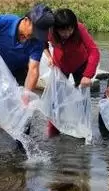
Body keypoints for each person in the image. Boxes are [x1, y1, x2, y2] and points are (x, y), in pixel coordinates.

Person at [0, 3, 55, 147]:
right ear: (26, 20)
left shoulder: (37, 41)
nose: (36, 36)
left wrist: (27, 94)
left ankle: (22, 144)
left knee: (24, 108)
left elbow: (33, 69)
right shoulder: (3, 22)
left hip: (19, 70)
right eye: (35, 31)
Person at [43, 8, 101, 136]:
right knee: (56, 100)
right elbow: (42, 43)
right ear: (56, 28)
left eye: (70, 29)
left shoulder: (79, 29)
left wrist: (88, 75)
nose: (67, 33)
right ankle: (54, 132)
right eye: (63, 30)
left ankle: (83, 131)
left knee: (83, 99)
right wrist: (48, 57)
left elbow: (94, 51)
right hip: (60, 66)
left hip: (81, 64)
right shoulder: (50, 31)